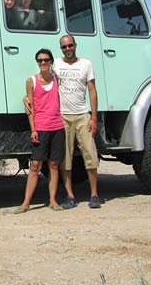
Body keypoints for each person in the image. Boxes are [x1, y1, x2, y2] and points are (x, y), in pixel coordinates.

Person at [24, 34, 101, 209]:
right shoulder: (56, 64)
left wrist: (94, 117)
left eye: (70, 45)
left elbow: (92, 91)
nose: (68, 49)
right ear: (61, 49)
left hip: (82, 115)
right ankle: (70, 196)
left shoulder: (86, 64)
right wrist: (26, 98)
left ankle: (94, 194)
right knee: (65, 160)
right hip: (63, 117)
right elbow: (41, 83)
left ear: (75, 45)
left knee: (90, 155)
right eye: (64, 47)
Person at [14, 49, 65, 213]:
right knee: (35, 165)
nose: (43, 63)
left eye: (46, 60)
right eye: (40, 60)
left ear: (51, 62)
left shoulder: (57, 79)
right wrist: (33, 129)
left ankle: (53, 200)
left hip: (58, 126)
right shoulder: (32, 81)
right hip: (41, 128)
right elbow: (30, 108)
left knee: (54, 165)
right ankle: (26, 203)